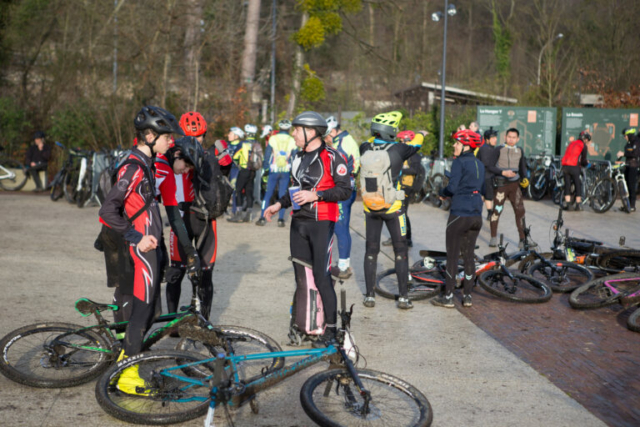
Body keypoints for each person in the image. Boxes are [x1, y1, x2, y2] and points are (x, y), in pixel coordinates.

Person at [98, 105, 183, 395]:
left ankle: (123, 364)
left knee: (146, 311)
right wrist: (137, 237)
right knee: (142, 312)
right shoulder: (134, 167)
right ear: (149, 136)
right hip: (141, 250)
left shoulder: (147, 163)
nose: (170, 141)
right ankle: (127, 376)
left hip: (150, 248)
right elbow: (107, 211)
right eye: (166, 136)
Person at [263, 111, 351, 347]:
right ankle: (301, 323)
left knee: (322, 278)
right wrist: (279, 205)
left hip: (321, 223)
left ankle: (330, 331)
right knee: (301, 278)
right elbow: (294, 188)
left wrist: (317, 195)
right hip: (298, 223)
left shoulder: (333, 157)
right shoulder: (298, 156)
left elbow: (345, 190)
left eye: (296, 129)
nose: (293, 134)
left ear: (311, 132)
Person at [360, 111, 425, 310]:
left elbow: (371, 140)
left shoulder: (364, 147)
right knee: (401, 251)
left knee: (371, 251)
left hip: (370, 208)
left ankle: (369, 296)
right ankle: (403, 298)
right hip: (394, 208)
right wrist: (420, 133)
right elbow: (417, 144)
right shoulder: (399, 149)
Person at [159, 113, 217, 321]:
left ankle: (204, 321)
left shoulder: (209, 156)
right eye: (190, 136)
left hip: (205, 221)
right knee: (176, 273)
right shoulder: (171, 157)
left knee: (205, 273)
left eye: (199, 136)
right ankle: (171, 322)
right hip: (180, 217)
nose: (196, 140)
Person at [431, 130, 485, 308]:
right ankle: (467, 296)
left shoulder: (459, 162)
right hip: (476, 215)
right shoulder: (480, 164)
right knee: (469, 256)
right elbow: (484, 188)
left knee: (452, 257)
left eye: (458, 143)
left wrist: (442, 192)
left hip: (460, 213)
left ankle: (448, 297)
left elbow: (452, 188)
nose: (454, 145)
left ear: (466, 146)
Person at [487, 128, 537, 249]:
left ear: (518, 139)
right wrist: (503, 172)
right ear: (505, 137)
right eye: (509, 137)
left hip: (515, 186)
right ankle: (493, 237)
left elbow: (522, 167)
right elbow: (490, 166)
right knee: (497, 210)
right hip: (501, 185)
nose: (511, 139)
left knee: (520, 211)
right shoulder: (499, 149)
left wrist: (525, 178)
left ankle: (523, 239)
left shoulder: (519, 150)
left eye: (514, 137)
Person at [324, 115, 361, 279]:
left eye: (327, 135)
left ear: (333, 131)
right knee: (341, 227)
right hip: (348, 187)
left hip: (342, 190)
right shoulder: (347, 139)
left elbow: (336, 168)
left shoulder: (342, 144)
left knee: (340, 228)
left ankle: (343, 266)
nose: (326, 138)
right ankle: (342, 263)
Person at [383, 130, 422, 248]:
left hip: (406, 187)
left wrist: (400, 169)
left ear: (407, 140)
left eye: (401, 141)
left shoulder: (414, 155)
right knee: (395, 212)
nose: (399, 143)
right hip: (398, 186)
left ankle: (407, 239)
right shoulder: (402, 152)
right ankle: (396, 237)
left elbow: (415, 170)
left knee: (402, 213)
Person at [256, 119, 296, 227]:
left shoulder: (273, 138)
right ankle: (281, 219)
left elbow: (267, 155)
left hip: (273, 170)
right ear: (289, 128)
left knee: (268, 194)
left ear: (279, 128)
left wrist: (266, 169)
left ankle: (262, 218)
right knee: (282, 194)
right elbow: (295, 156)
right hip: (286, 170)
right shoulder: (292, 140)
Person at [228, 124, 258, 223]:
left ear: (246, 133)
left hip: (244, 170)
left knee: (238, 191)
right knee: (249, 192)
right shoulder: (257, 144)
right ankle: (249, 216)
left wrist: (239, 164)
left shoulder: (242, 144)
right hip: (253, 171)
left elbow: (235, 157)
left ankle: (239, 215)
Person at [561, 130, 591, 211]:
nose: (587, 142)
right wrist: (589, 165)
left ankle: (568, 205)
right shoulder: (583, 145)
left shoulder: (572, 143)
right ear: (585, 139)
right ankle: (578, 205)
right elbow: (583, 160)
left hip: (565, 166)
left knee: (567, 185)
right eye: (587, 140)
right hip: (574, 167)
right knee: (578, 185)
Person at [616, 127, 640, 213]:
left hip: (633, 166)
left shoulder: (636, 142)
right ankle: (627, 205)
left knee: (631, 185)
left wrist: (624, 154)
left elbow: (635, 153)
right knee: (627, 186)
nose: (624, 137)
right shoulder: (629, 142)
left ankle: (632, 206)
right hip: (628, 165)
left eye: (625, 135)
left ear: (629, 135)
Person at [477, 127, 498, 220]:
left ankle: (487, 212)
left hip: (488, 176)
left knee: (486, 196)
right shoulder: (485, 149)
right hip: (486, 176)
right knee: (487, 196)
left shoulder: (491, 148)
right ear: (487, 139)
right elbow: (487, 164)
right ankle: (489, 213)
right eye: (493, 138)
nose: (495, 139)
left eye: (495, 137)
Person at [226, 126, 245, 215]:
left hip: (235, 170)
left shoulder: (241, 146)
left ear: (236, 136)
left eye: (230, 134)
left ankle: (234, 210)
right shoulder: (226, 144)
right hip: (226, 170)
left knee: (234, 190)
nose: (228, 135)